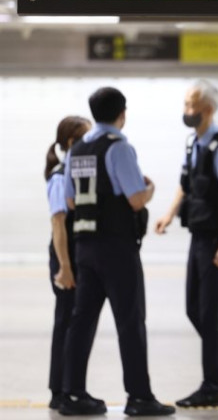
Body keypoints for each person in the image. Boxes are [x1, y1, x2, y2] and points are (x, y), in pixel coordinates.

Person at [60, 87, 174, 417]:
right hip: (117, 249)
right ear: (122, 113)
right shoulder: (119, 147)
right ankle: (139, 397)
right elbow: (136, 199)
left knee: (81, 322)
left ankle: (73, 395)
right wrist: (150, 187)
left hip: (85, 247)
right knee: (130, 321)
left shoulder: (77, 149)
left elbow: (70, 201)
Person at [154, 80, 218, 407]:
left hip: (217, 241)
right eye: (185, 103)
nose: (186, 111)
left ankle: (213, 386)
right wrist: (169, 214)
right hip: (199, 238)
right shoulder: (193, 143)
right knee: (195, 309)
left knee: (211, 316)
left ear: (208, 109)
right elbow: (186, 185)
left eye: (191, 105)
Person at [44, 115, 91, 410]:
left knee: (74, 322)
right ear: (72, 142)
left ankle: (69, 387)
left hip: (74, 254)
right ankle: (59, 391)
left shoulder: (73, 172)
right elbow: (58, 224)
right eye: (86, 138)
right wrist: (65, 266)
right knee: (65, 321)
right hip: (66, 255)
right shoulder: (60, 177)